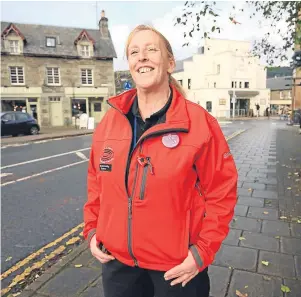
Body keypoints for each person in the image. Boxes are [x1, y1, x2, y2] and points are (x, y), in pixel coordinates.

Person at [83, 24, 238, 297]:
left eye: (151, 49)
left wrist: (201, 253)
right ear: (130, 64)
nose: (141, 57)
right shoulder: (110, 122)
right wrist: (93, 229)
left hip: (176, 269)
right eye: (134, 52)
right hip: (118, 267)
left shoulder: (200, 124)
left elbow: (221, 192)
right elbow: (97, 180)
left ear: (169, 63)